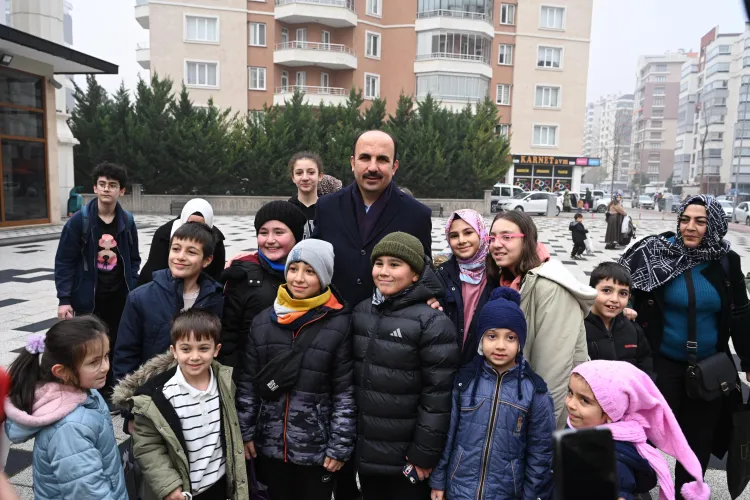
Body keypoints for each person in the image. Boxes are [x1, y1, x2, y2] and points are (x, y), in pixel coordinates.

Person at [619, 194, 750, 497]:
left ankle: (687, 494)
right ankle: (638, 489)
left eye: (700, 221)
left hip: (709, 369)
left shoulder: (726, 261)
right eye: (685, 219)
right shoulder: (657, 253)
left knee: (698, 443)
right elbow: (623, 288)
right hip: (660, 365)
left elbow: (741, 314)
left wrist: (748, 361)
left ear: (714, 226)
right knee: (645, 436)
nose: (690, 227)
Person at [236, 239, 355, 500]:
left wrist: (339, 445)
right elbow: (248, 385)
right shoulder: (262, 322)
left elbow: (344, 393)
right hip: (269, 445)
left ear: (323, 277)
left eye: (310, 271)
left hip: (317, 451)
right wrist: (245, 433)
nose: (299, 278)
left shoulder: (339, 324)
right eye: (293, 269)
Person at [352, 232, 460, 500]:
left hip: (406, 459)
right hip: (366, 453)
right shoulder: (362, 311)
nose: (384, 271)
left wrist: (423, 453)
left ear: (415, 274)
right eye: (379, 263)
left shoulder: (432, 322)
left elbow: (437, 396)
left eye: (395, 264)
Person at [430, 288, 555, 500]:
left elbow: (541, 452)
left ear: (520, 342)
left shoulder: (535, 391)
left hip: (506, 493)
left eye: (510, 337)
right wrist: (438, 481)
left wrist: (532, 495)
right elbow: (447, 436)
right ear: (481, 338)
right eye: (492, 336)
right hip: (460, 490)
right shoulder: (465, 381)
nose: (500, 345)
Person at [112, 310, 248, 500]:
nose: (194, 356)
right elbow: (148, 446)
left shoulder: (224, 382)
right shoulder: (157, 397)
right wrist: (169, 486)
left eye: (203, 348)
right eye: (186, 349)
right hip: (181, 491)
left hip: (219, 483)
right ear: (174, 351)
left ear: (216, 350)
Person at [486, 210, 596, 428]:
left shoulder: (550, 286)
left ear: (527, 240)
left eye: (507, 237)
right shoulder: (509, 280)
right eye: (492, 238)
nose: (496, 244)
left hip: (539, 418)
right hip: (516, 405)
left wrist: (537, 431)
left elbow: (553, 373)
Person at [4, 317, 127, 499]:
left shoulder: (85, 391)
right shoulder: (69, 429)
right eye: (94, 362)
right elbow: (88, 493)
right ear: (62, 372)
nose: (105, 367)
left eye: (106, 356)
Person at [312, 129, 433, 307]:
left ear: (394, 166)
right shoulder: (326, 207)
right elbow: (314, 262)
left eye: (382, 159)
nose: (373, 167)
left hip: (390, 318)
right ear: (353, 163)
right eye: (365, 158)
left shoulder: (417, 214)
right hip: (333, 314)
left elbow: (425, 274)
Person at [54, 162, 140, 402]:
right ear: (95, 187)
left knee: (117, 344)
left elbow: (134, 258)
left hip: (119, 297)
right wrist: (64, 299)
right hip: (87, 298)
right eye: (102, 184)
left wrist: (132, 282)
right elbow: (64, 261)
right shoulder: (79, 222)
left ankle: (113, 390)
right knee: (89, 345)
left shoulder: (127, 221)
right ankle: (88, 392)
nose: (106, 189)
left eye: (112, 185)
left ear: (121, 190)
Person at [567, 360, 711, 500]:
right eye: (570, 393)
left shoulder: (612, 465)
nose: (570, 404)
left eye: (584, 400)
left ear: (610, 414)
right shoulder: (578, 427)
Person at [114, 222, 224, 383]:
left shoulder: (215, 298)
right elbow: (125, 354)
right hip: (151, 388)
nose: (180, 257)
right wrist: (128, 393)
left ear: (207, 260)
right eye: (176, 249)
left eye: (191, 252)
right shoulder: (140, 297)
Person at [220, 200, 307, 369]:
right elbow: (228, 336)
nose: (270, 240)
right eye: (263, 233)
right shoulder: (241, 274)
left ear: (296, 235)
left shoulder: (311, 275)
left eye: (279, 232)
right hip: (250, 373)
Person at [436, 209, 496, 365]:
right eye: (454, 236)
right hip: (446, 365)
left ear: (481, 233)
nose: (461, 240)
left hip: (483, 367)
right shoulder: (441, 275)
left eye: (468, 232)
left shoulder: (498, 274)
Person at [585, 262, 653, 377]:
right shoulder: (580, 328)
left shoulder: (633, 329)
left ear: (629, 297)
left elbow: (645, 364)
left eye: (623, 293)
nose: (615, 299)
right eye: (606, 290)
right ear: (591, 291)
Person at [137, 198, 226, 286]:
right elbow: (155, 268)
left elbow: (215, 275)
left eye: (200, 225)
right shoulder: (164, 234)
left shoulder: (216, 240)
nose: (194, 228)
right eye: (176, 249)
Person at [288, 151, 324, 239]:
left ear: (320, 176)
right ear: (293, 178)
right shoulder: (287, 210)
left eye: (311, 172)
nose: (305, 178)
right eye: (299, 173)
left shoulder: (330, 208)